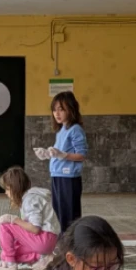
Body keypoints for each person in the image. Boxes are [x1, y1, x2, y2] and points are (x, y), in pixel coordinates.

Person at [0, 166, 61, 270]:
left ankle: (10, 264)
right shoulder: (28, 198)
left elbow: (35, 229)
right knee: (7, 253)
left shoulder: (31, 199)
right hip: (46, 242)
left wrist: (14, 220)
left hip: (44, 239)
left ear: (15, 188)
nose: (6, 193)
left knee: (5, 224)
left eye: (7, 189)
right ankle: (43, 258)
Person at [47, 91, 87, 232]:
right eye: (54, 109)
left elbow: (81, 154)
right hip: (57, 175)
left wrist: (63, 155)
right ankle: (65, 243)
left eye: (61, 109)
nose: (57, 113)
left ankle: (72, 244)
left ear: (71, 109)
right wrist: (48, 154)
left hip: (69, 178)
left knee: (70, 215)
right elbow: (60, 154)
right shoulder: (61, 130)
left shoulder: (75, 129)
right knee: (60, 213)